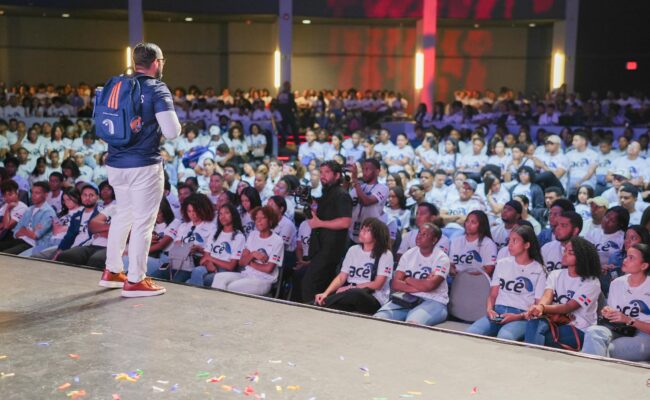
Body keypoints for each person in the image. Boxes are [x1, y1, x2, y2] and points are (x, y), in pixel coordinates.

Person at [99, 42, 182, 297]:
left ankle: (112, 271)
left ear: (136, 62)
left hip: (115, 164)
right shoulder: (157, 88)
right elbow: (171, 131)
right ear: (156, 62)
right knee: (144, 222)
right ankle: (135, 280)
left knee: (123, 214)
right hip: (144, 165)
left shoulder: (118, 85)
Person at [466, 225, 546, 340]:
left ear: (527, 245)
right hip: (498, 312)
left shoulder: (539, 269)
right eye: (509, 240)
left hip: (521, 315)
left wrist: (518, 316)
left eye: (515, 241)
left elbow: (538, 305)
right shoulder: (502, 263)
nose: (510, 244)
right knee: (471, 332)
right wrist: (490, 310)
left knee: (505, 336)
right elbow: (493, 294)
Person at [524, 236, 601, 351]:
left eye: (570, 252)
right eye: (565, 251)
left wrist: (542, 308)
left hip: (579, 327)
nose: (564, 254)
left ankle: (530, 357)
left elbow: (568, 307)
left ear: (582, 257)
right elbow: (547, 296)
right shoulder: (555, 274)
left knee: (545, 338)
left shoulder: (592, 282)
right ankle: (530, 357)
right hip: (554, 321)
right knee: (533, 324)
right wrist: (539, 307)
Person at [582, 243, 650, 361]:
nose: (625, 260)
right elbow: (613, 314)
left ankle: (593, 369)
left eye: (631, 258)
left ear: (644, 265)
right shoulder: (617, 283)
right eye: (626, 256)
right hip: (618, 328)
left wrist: (629, 320)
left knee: (608, 349)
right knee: (593, 332)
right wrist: (608, 312)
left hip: (643, 334)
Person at [374, 223, 450, 326]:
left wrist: (407, 279)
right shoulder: (409, 254)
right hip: (407, 298)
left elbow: (430, 286)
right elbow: (395, 284)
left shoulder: (441, 258)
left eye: (424, 234)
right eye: (419, 232)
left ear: (434, 239)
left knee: (412, 323)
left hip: (434, 300)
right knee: (378, 318)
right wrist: (422, 285)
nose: (419, 236)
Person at [315, 217, 393, 315]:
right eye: (362, 228)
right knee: (333, 307)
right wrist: (326, 293)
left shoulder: (385, 254)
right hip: (349, 295)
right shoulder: (353, 250)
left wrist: (351, 287)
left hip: (373, 298)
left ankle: (316, 304)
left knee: (355, 293)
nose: (362, 232)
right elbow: (341, 277)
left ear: (377, 236)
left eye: (368, 230)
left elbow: (378, 284)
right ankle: (316, 304)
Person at [301, 161, 353, 303]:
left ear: (337, 175)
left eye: (327, 172)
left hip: (331, 248)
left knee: (310, 284)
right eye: (321, 172)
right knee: (318, 285)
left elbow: (345, 222)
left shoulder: (341, 195)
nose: (323, 176)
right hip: (321, 246)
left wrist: (320, 223)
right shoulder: (327, 193)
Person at [212, 205, 284, 295]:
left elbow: (268, 269)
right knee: (219, 277)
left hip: (263, 280)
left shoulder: (277, 240)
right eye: (256, 218)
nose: (258, 221)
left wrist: (249, 262)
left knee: (230, 287)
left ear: (270, 220)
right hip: (246, 274)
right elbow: (241, 262)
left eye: (262, 218)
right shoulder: (253, 235)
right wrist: (253, 254)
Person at [187, 203, 246, 287]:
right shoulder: (215, 233)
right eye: (220, 214)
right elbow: (203, 259)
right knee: (197, 271)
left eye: (226, 213)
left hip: (224, 271)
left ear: (233, 215)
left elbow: (231, 266)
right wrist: (208, 263)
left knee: (192, 280)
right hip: (209, 266)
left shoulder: (238, 236)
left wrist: (210, 259)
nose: (223, 216)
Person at [0, 181, 56, 254]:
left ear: (46, 195)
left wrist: (24, 230)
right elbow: (16, 232)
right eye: (32, 192)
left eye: (37, 193)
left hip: (33, 244)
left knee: (5, 254)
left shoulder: (48, 212)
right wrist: (29, 231)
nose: (33, 195)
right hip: (20, 240)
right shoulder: (29, 209)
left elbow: (36, 235)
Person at [347, 158, 388, 244]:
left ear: (377, 171)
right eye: (363, 169)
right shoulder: (360, 187)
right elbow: (346, 202)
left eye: (367, 169)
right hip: (352, 233)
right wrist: (345, 185)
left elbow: (366, 201)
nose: (364, 173)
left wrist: (355, 181)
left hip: (370, 234)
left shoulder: (383, 188)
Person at [448, 210, 497, 277]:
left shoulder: (488, 243)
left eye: (473, 222)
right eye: (467, 221)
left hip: (478, 281)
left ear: (481, 225)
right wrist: (452, 270)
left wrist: (466, 276)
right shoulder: (456, 241)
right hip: (456, 280)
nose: (468, 224)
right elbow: (450, 264)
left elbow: (489, 269)